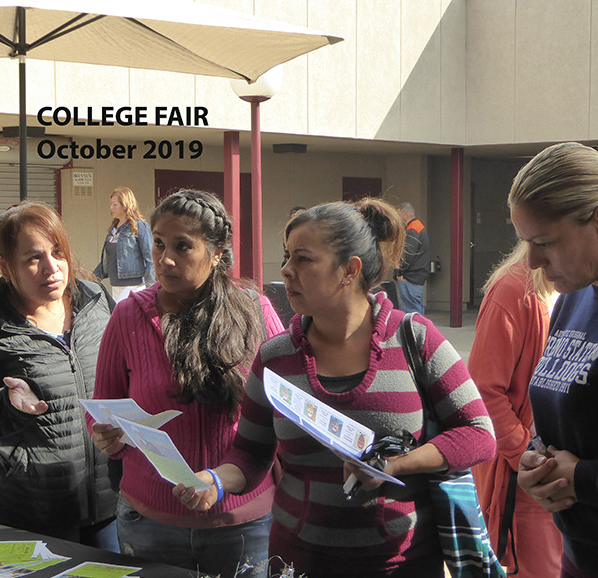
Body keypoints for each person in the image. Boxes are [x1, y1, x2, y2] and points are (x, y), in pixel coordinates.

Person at [174, 199, 497, 578]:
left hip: (400, 564)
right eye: (287, 257)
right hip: (297, 561)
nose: (286, 271)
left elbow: (478, 435)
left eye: (303, 259)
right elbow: (250, 453)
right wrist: (214, 481)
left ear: (350, 269)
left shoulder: (416, 339)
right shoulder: (275, 356)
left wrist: (396, 464)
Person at [88, 189, 285, 578]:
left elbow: (285, 406)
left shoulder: (253, 311)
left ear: (216, 253)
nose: (165, 259)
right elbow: (103, 407)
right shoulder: (129, 316)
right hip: (149, 522)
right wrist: (105, 435)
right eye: (159, 244)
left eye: (183, 246)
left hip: (242, 524)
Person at [0, 201, 118, 550]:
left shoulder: (99, 302)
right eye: (32, 258)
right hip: (28, 512)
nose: (51, 268)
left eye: (58, 252)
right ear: (5, 266)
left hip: (109, 504)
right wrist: (7, 405)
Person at [508, 142, 598, 578]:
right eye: (526, 242)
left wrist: (582, 479)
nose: (532, 261)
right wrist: (535, 462)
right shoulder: (575, 296)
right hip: (580, 557)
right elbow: (563, 411)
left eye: (545, 242)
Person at [468, 241, 562, 577]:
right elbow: (483, 390)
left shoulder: (588, 290)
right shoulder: (513, 291)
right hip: (528, 484)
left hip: (572, 479)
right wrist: (524, 454)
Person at [94, 186, 155, 302]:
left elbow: (150, 258)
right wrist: (90, 278)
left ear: (125, 204)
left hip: (134, 286)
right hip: (115, 285)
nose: (111, 208)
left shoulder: (139, 226)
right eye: (111, 204)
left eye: (115, 204)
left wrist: (150, 288)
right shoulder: (113, 229)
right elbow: (107, 261)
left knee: (123, 316)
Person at [394, 201, 430, 314]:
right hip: (417, 277)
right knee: (416, 311)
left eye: (397, 214)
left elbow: (407, 254)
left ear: (402, 213)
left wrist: (399, 271)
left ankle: (413, 332)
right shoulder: (418, 227)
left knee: (410, 312)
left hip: (410, 277)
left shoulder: (412, 230)